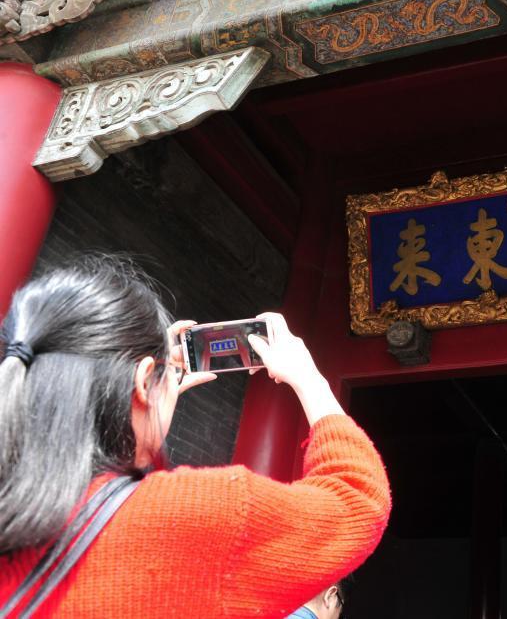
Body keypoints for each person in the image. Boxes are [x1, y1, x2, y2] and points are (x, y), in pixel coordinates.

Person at [0, 255, 391, 617]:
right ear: (142, 382)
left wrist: (155, 396)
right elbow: (357, 501)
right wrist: (308, 377)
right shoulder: (191, 514)